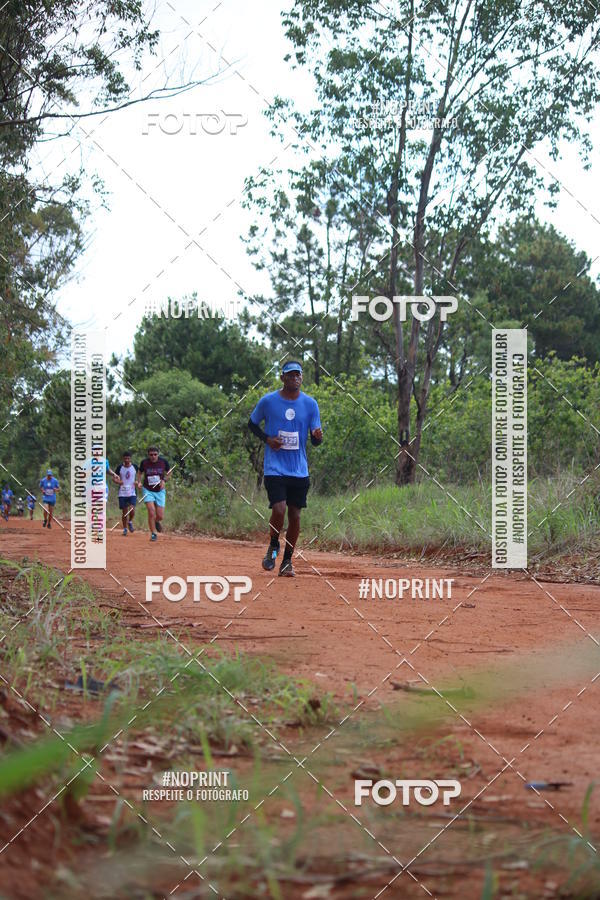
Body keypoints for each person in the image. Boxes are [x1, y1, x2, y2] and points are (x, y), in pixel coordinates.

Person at [248, 360, 323, 577]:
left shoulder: (310, 404)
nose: (294, 378)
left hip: (299, 470)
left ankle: (287, 561)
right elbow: (252, 423)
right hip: (275, 468)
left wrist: (317, 437)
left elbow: (315, 439)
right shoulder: (268, 401)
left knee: (295, 516)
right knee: (279, 509)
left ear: (302, 377)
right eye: (290, 375)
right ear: (282, 378)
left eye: (297, 375)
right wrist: (268, 439)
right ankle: (274, 544)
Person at [137, 446, 171, 541]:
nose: (153, 456)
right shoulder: (144, 462)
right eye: (151, 455)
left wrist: (164, 480)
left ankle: (156, 521)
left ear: (158, 454)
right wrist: (139, 482)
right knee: (151, 512)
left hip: (160, 490)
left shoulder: (163, 462)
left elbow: (169, 472)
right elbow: (139, 472)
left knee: (160, 516)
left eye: (155, 454)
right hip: (147, 489)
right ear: (148, 455)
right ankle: (153, 533)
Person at [113, 451, 138, 536]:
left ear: (131, 458)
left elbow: (139, 476)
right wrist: (118, 482)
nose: (127, 460)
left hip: (132, 492)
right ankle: (124, 529)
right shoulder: (120, 467)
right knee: (124, 512)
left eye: (128, 458)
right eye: (125, 458)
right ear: (123, 459)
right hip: (122, 493)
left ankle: (130, 521)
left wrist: (137, 482)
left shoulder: (135, 467)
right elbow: (114, 478)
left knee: (132, 509)